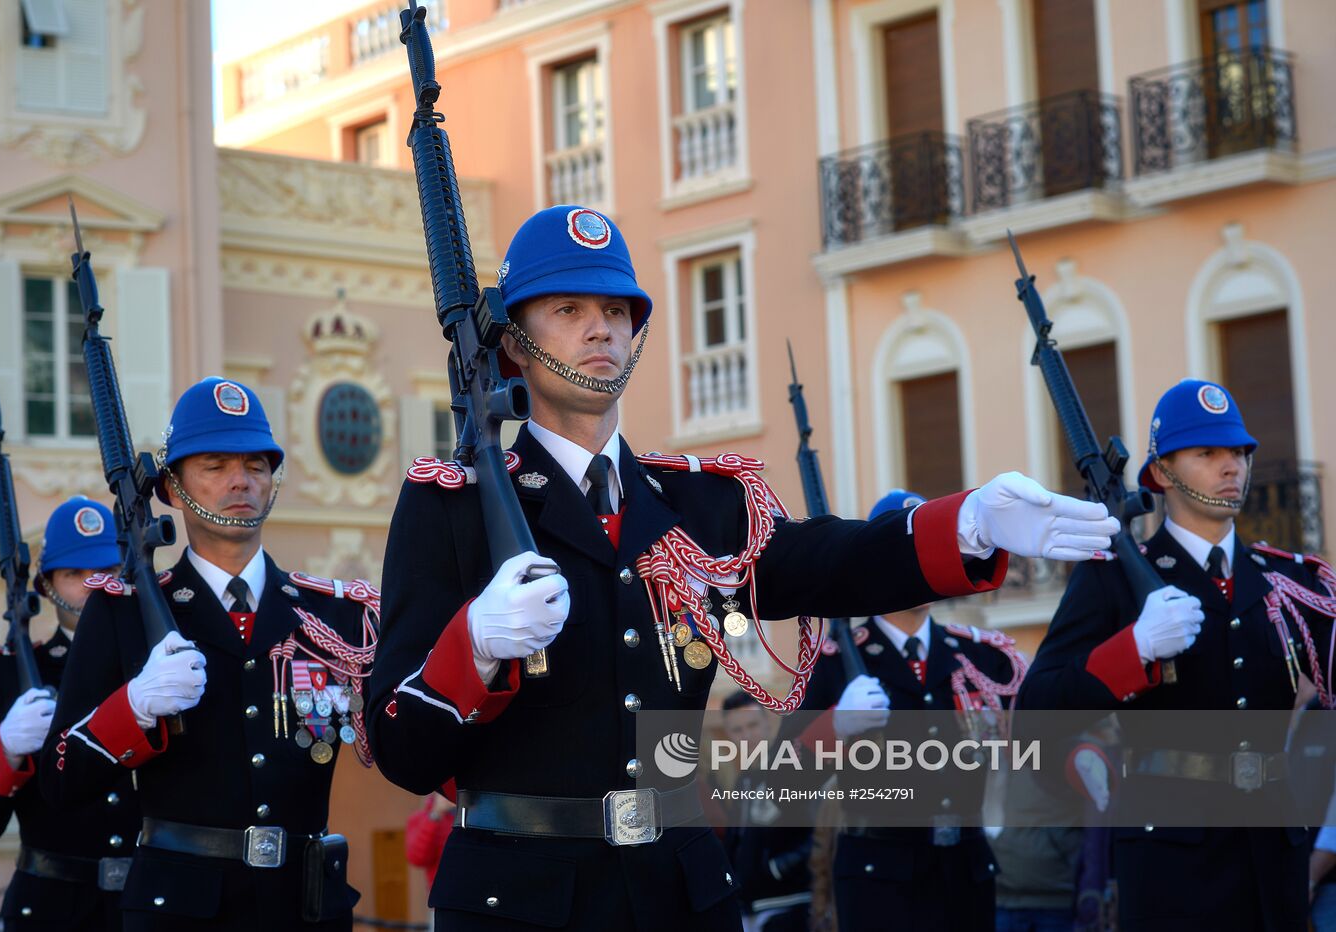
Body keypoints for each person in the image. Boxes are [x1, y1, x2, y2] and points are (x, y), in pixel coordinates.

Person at [364, 205, 1120, 931]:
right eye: (567, 309)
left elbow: (831, 561)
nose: (601, 327)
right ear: (514, 345)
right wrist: (475, 646)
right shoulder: (451, 509)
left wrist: (970, 522)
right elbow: (401, 750)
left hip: (677, 891)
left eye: (618, 310)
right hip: (520, 896)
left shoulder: (702, 504)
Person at [40, 378, 378, 931]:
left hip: (303, 908)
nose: (240, 481)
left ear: (274, 482)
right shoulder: (124, 613)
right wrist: (135, 708)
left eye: (256, 465)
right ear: (172, 488)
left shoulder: (332, 617)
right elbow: (60, 780)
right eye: (215, 466)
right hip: (180, 911)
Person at [1017, 379, 1336, 932]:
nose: (1231, 466)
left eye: (1238, 452)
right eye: (1207, 453)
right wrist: (1134, 648)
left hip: (1274, 862)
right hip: (1172, 866)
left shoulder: (1287, 581)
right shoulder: (1112, 579)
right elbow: (1035, 714)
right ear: (1162, 473)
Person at [779, 489, 1029, 932]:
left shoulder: (981, 657)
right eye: (909, 554)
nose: (922, 567)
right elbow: (782, 784)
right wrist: (833, 728)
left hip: (965, 873)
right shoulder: (836, 663)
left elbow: (1036, 730)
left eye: (931, 553)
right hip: (880, 882)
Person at [0, 496, 135, 930]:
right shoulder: (7, 672)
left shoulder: (155, 667)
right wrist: (6, 749)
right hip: (51, 911)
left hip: (146, 907)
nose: (93, 585)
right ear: (47, 586)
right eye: (75, 574)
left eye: (106, 572)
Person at [718, 690, 812, 932]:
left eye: (752, 725)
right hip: (749, 908)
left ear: (768, 723)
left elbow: (824, 831)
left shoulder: (794, 771)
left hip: (790, 904)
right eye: (737, 730)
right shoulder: (743, 781)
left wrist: (778, 869)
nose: (747, 736)